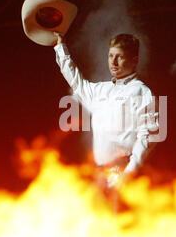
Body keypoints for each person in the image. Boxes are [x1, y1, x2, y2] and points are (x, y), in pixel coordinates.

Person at [53, 32, 158, 190]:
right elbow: (76, 82)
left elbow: (147, 138)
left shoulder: (142, 92)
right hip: (98, 173)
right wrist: (60, 47)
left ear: (134, 61)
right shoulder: (100, 89)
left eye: (120, 57)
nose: (113, 62)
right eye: (110, 56)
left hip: (123, 172)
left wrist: (129, 173)